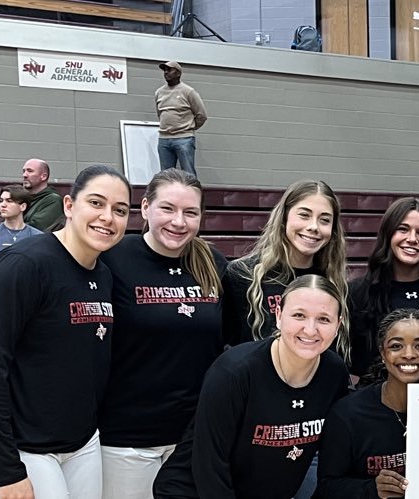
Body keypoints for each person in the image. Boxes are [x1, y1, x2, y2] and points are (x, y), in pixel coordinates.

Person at [0, 165, 130, 499]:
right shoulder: (22, 265)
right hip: (14, 445)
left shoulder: (105, 275)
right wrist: (6, 471)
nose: (107, 217)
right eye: (96, 203)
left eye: (119, 210)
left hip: (78, 442)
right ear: (68, 206)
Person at [152, 275, 350, 499]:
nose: (310, 329)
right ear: (278, 316)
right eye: (299, 315)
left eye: (324, 319)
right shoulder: (233, 372)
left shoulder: (334, 374)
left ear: (337, 326)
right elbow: (210, 465)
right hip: (195, 492)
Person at [98, 169, 229, 498]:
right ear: (144, 208)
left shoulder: (213, 263)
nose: (179, 222)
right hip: (127, 439)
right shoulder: (113, 259)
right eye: (167, 208)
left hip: (193, 437)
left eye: (190, 212)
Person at [318, 309, 419, 499]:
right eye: (396, 346)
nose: (408, 354)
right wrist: (372, 489)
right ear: (382, 353)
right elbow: (327, 487)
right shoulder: (348, 414)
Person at [347, 198, 419, 382]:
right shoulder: (359, 292)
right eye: (403, 229)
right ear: (388, 235)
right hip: (379, 401)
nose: (412, 239)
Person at [223, 180, 349, 346]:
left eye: (324, 220)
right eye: (304, 215)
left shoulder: (333, 281)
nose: (314, 226)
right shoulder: (243, 274)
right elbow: (227, 344)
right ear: (284, 218)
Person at [0, 185, 44, 278]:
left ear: (23, 206)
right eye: (1, 200)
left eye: (9, 201)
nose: (3, 205)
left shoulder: (37, 237)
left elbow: (40, 272)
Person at [156, 61, 209, 175]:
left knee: (188, 173)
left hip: (184, 138)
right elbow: (160, 114)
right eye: (165, 70)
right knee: (166, 175)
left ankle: (193, 193)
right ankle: (168, 193)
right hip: (164, 139)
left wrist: (188, 127)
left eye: (169, 70)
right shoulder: (159, 92)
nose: (166, 72)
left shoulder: (188, 91)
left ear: (178, 73)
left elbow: (202, 115)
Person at [20, 158, 62, 231]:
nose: (24, 175)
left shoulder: (53, 200)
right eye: (24, 171)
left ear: (44, 176)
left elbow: (36, 228)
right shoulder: (23, 199)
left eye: (30, 171)